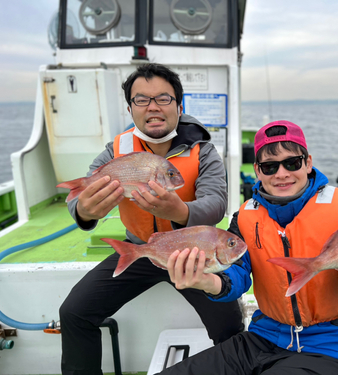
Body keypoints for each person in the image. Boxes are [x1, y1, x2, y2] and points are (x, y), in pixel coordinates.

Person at [158, 120, 338, 375]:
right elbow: (236, 276)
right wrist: (207, 282)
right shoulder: (245, 217)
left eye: (292, 163)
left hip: (329, 346)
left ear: (308, 163)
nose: (282, 173)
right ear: (258, 171)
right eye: (270, 167)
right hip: (263, 337)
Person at [59, 63, 244, 375]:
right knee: (75, 312)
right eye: (141, 100)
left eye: (163, 98)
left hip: (194, 254)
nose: (153, 107)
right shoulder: (115, 153)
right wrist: (84, 212)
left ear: (179, 105)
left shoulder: (203, 151)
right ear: (131, 108)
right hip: (140, 250)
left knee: (230, 325)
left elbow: (216, 205)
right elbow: (80, 196)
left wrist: (177, 211)